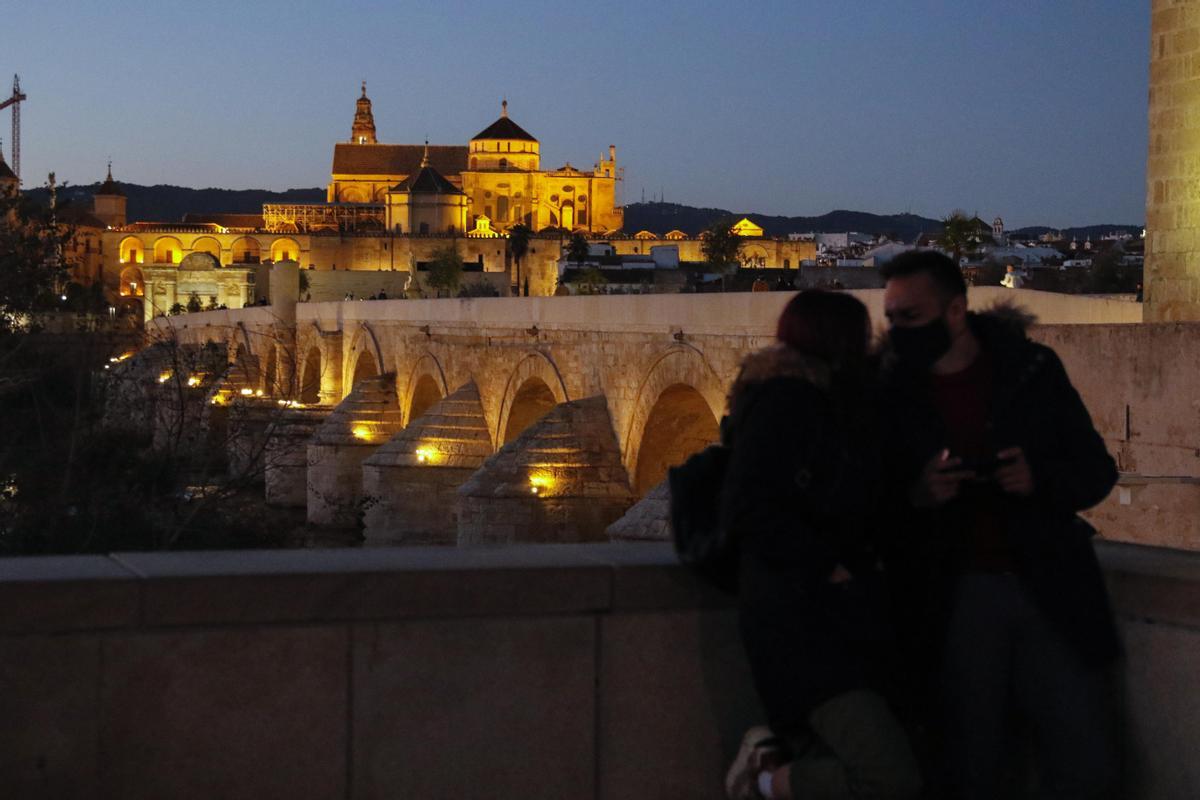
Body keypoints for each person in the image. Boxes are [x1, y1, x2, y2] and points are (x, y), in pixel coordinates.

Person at [878, 250, 1119, 799]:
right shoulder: (888, 393)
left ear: (956, 311)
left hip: (1050, 590)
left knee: (1084, 760)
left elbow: (1096, 472)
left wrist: (1038, 479)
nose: (896, 332)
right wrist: (919, 494)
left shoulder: (1032, 372)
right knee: (970, 763)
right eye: (891, 318)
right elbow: (866, 503)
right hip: (950, 597)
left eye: (910, 317)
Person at [721, 291, 922, 800]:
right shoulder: (785, 402)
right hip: (802, 625)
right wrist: (825, 567)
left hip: (837, 620)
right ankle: (763, 779)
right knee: (887, 778)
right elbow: (749, 507)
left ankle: (775, 762)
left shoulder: (835, 403)